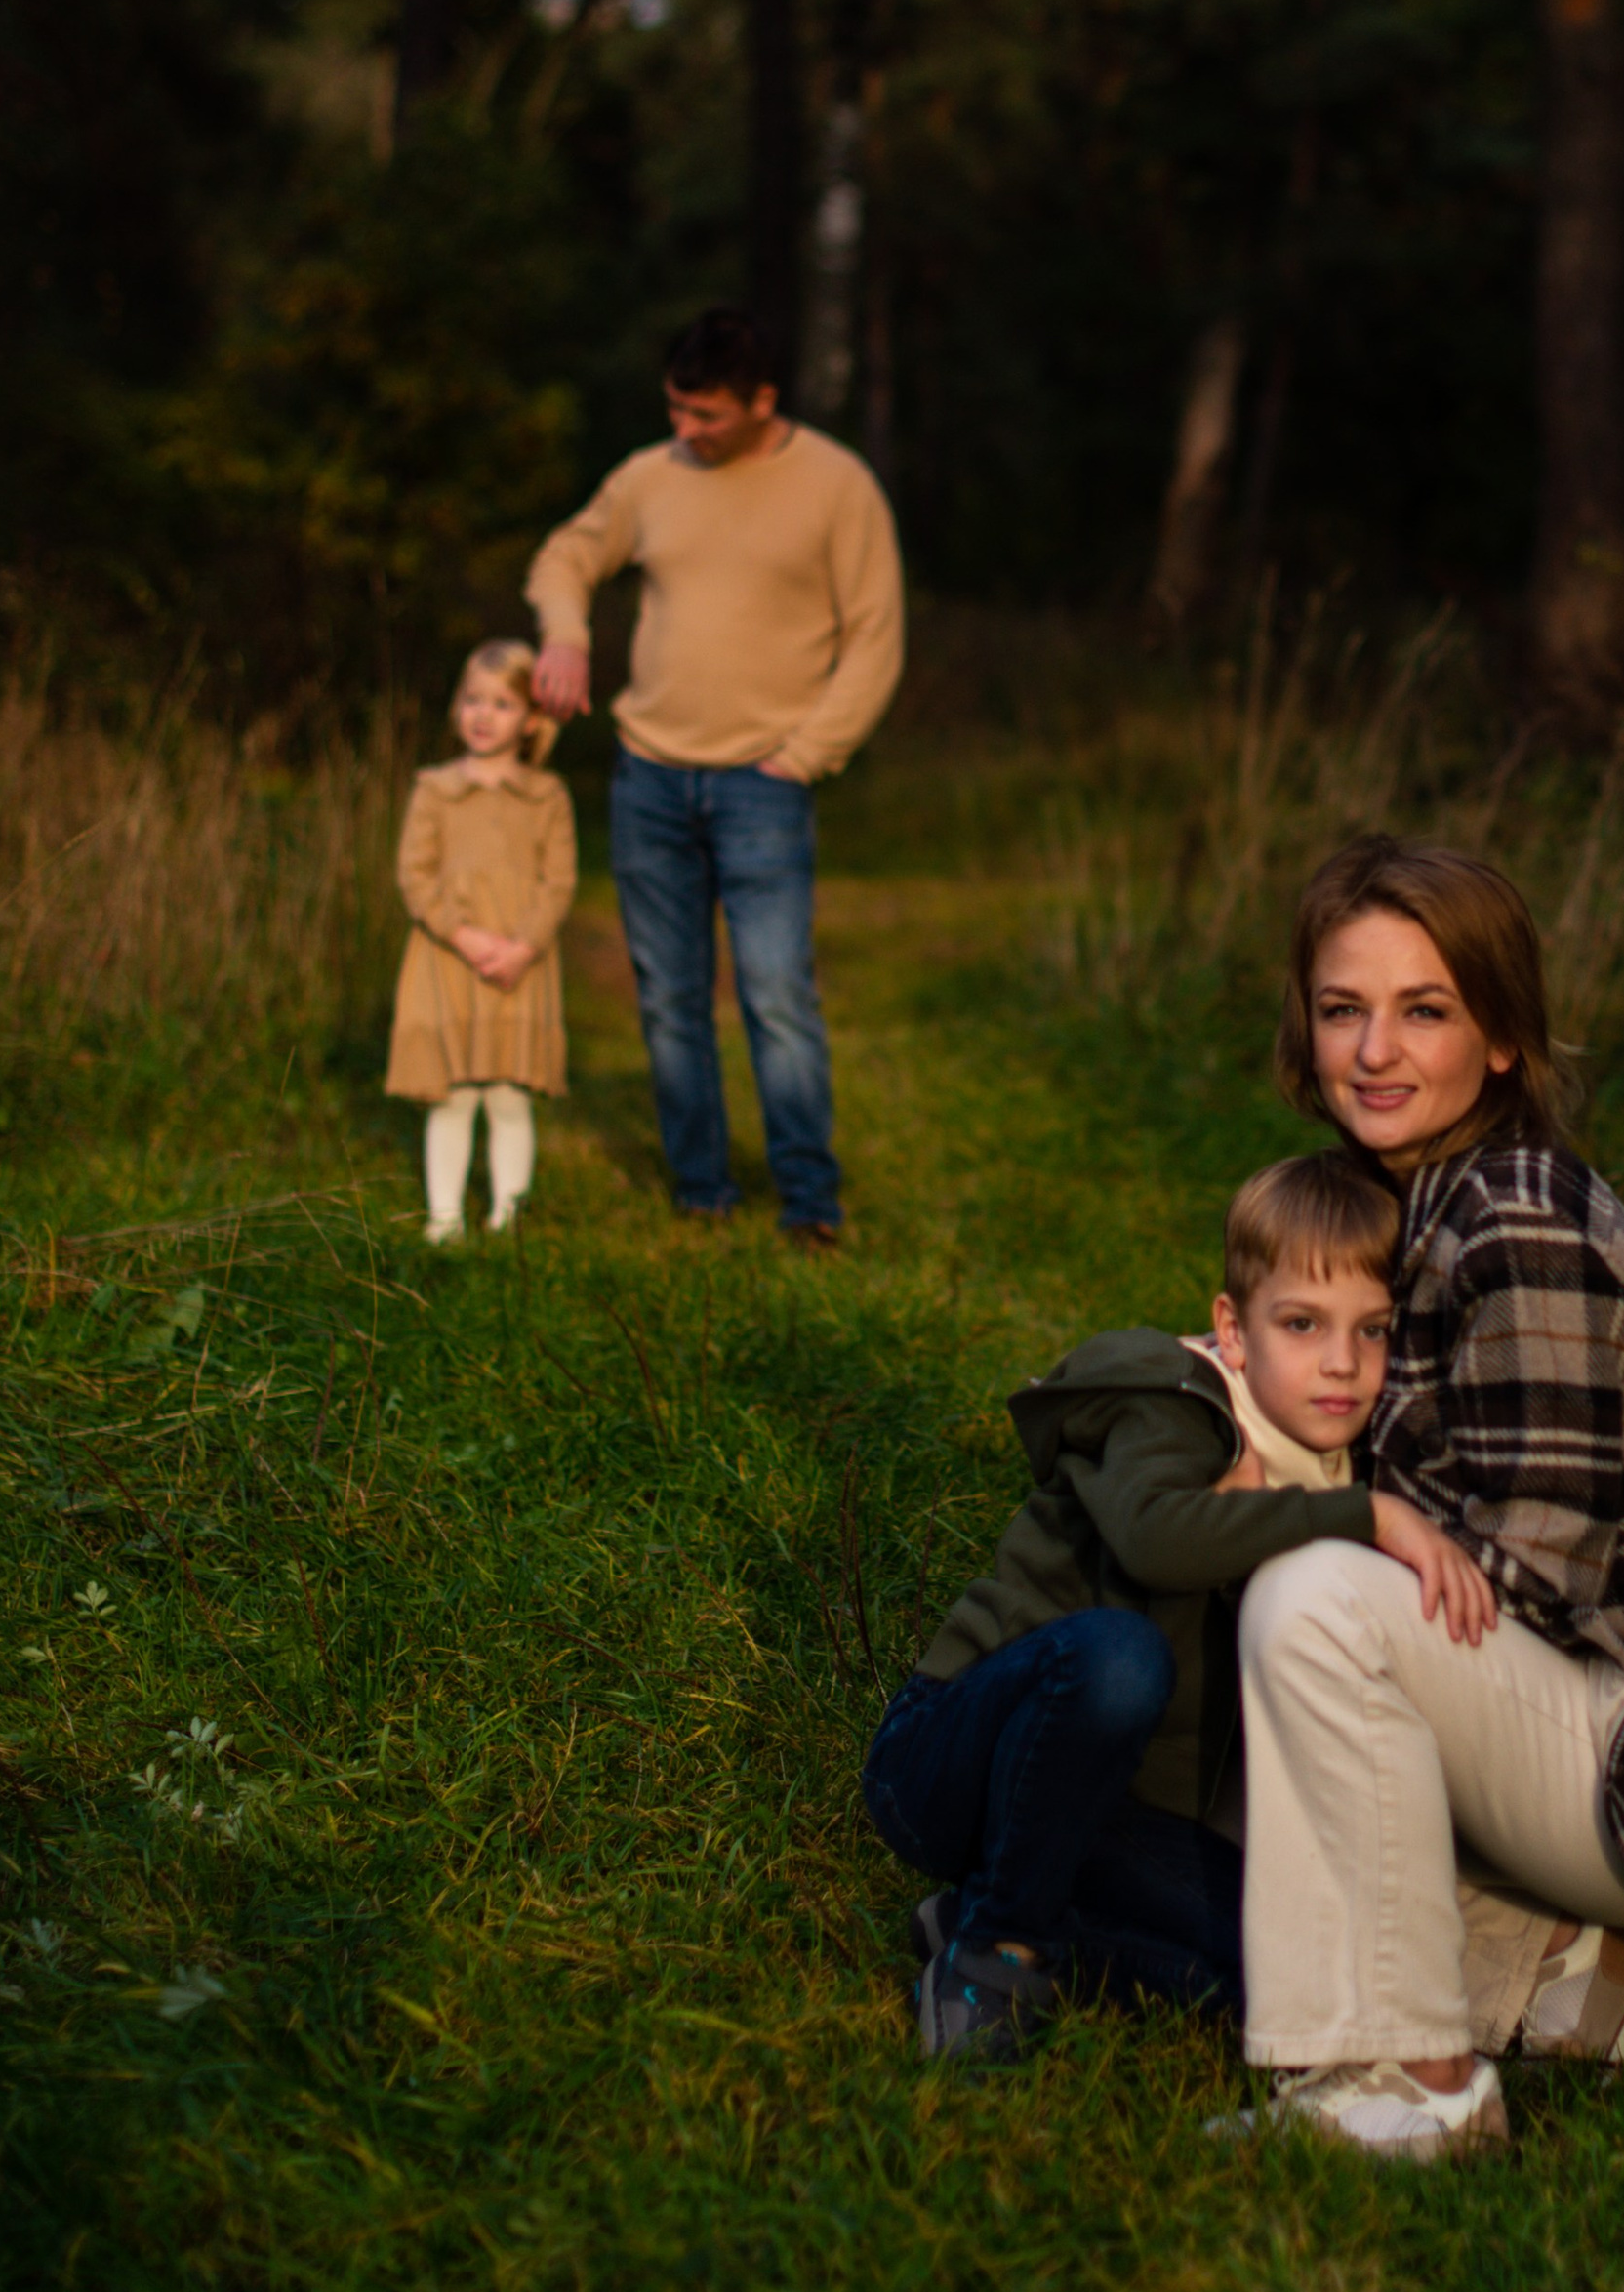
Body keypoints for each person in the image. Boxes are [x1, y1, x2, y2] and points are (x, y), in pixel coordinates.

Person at [1231, 835, 1624, 2161]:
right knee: (1231, 1641)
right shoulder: (1405, 1207)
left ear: (1501, 1035)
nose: (1375, 1048)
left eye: (1424, 1008)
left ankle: (1422, 2085)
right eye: (1344, 1008)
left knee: (1309, 1594)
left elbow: (1534, 1576)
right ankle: (1545, 1963)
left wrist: (1307, 1497)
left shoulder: (1519, 1214)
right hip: (1553, 1728)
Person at [862, 1150, 1496, 2065]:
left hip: (1110, 1814)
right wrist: (1368, 1515)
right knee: (1120, 1657)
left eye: (1374, 1331)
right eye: (1303, 1323)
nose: (1341, 1363)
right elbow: (1159, 1537)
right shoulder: (1176, 1397)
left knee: (1277, 1981)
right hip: (954, 1760)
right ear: (1232, 1330)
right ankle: (994, 1954)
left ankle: (1001, 1917)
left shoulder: (1330, 1465)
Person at [526, 307, 903, 1241]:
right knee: (669, 998)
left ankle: (810, 1201)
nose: (685, 431)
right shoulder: (650, 477)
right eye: (675, 409)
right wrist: (566, 636)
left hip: (762, 783)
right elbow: (567, 556)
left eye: (706, 415)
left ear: (763, 400)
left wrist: (803, 756)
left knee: (776, 995)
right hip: (649, 778)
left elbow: (876, 636)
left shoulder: (836, 485)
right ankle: (701, 1190)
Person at [386, 640, 578, 1243]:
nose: (483, 714)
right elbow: (414, 875)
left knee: (507, 1094)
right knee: (454, 1094)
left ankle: (508, 1215)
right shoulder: (435, 789)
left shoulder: (546, 796)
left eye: (501, 702)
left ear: (530, 718)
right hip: (450, 961)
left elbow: (559, 881)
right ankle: (444, 1217)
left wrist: (522, 947)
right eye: (472, 699)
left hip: (521, 965)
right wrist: (464, 937)